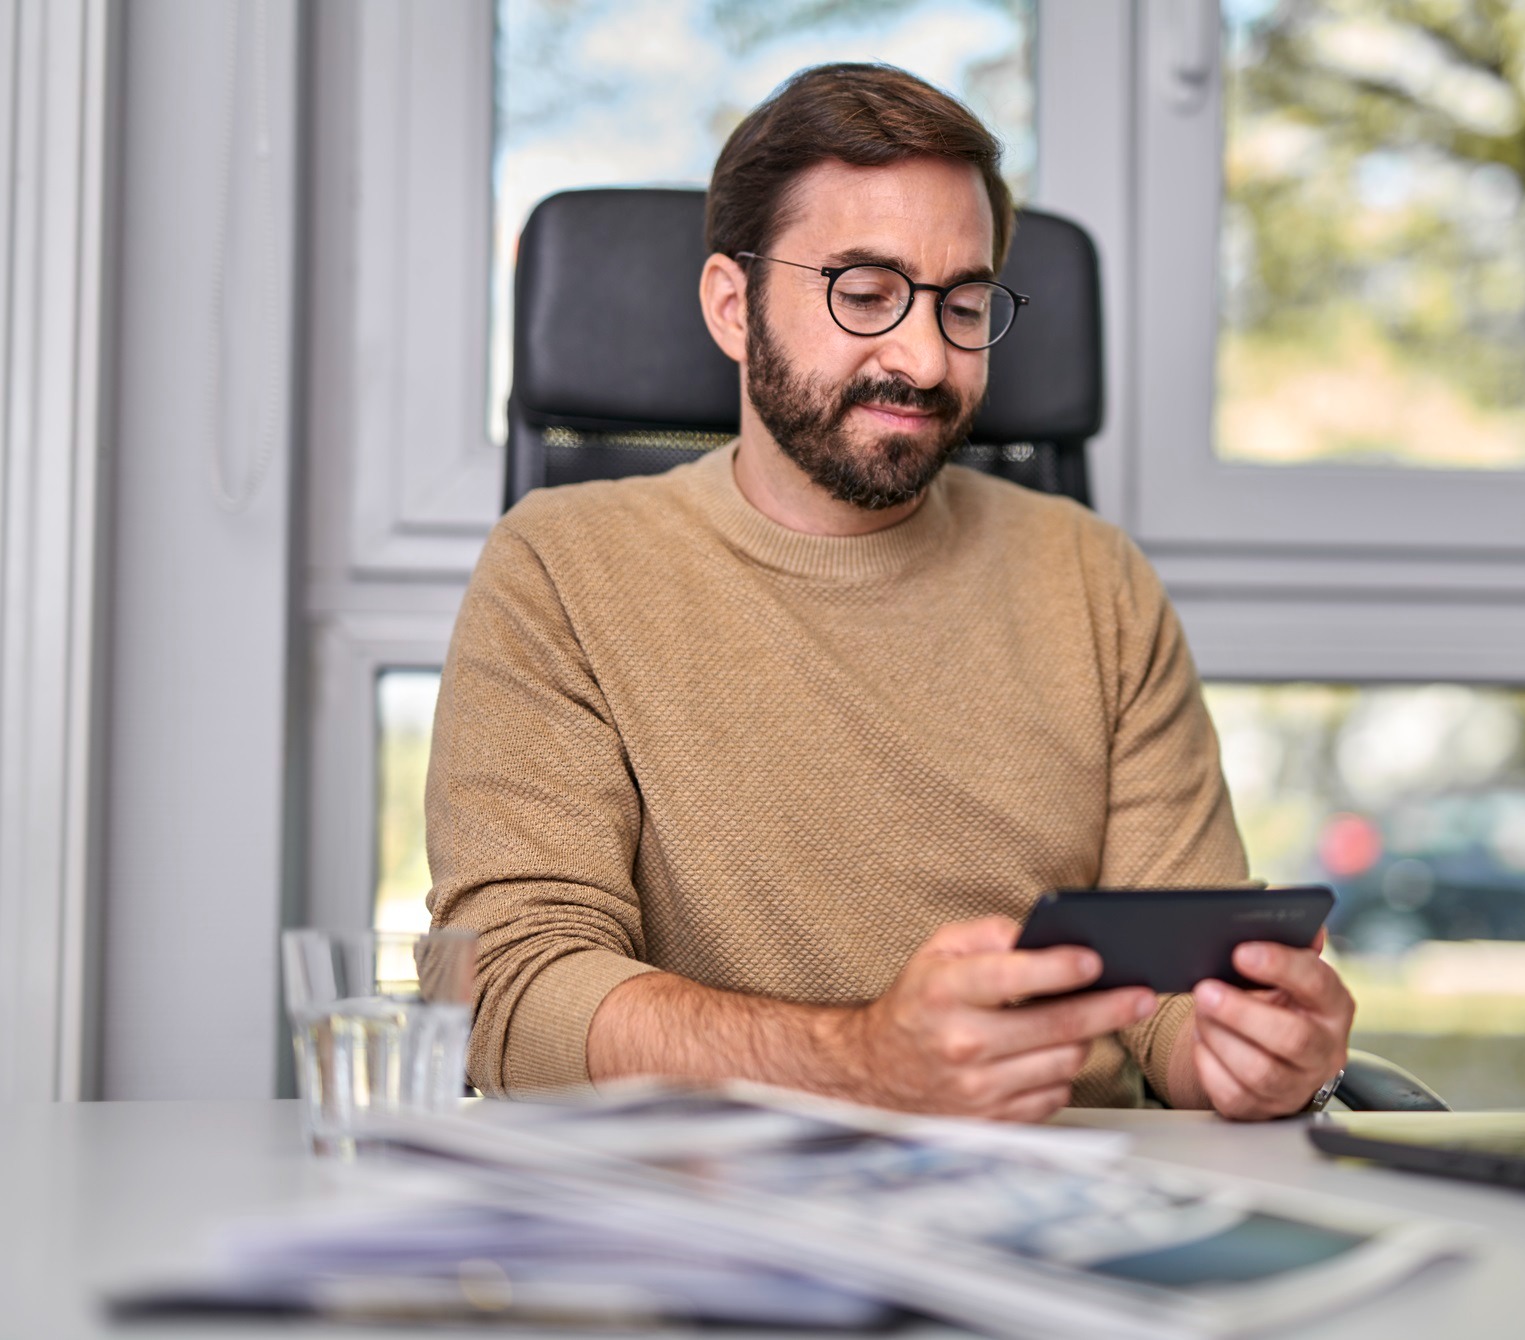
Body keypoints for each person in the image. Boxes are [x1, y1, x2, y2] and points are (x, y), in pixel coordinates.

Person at [427, 62, 1354, 1120]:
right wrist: (860, 1058)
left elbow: (1173, 1004)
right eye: (864, 293)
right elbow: (505, 990)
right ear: (733, 307)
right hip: (712, 1205)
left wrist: (1253, 1049)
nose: (922, 355)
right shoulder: (560, 565)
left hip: (1061, 1205)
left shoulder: (1095, 581)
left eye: (963, 304)